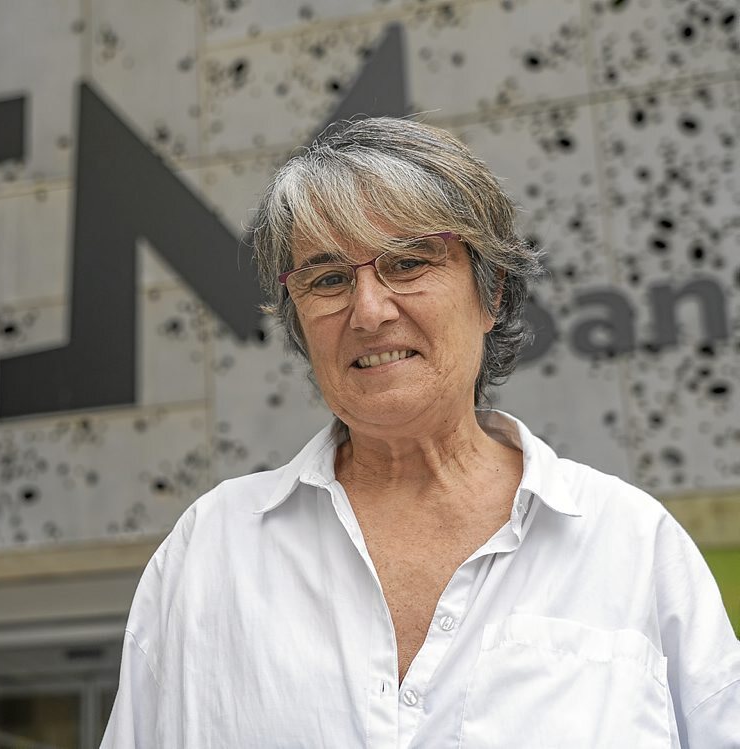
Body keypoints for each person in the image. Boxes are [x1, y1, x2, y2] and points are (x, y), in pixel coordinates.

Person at [100, 117, 740, 747]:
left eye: (408, 264)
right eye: (328, 279)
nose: (370, 311)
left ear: (489, 296)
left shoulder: (629, 543)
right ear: (299, 323)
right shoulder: (211, 550)